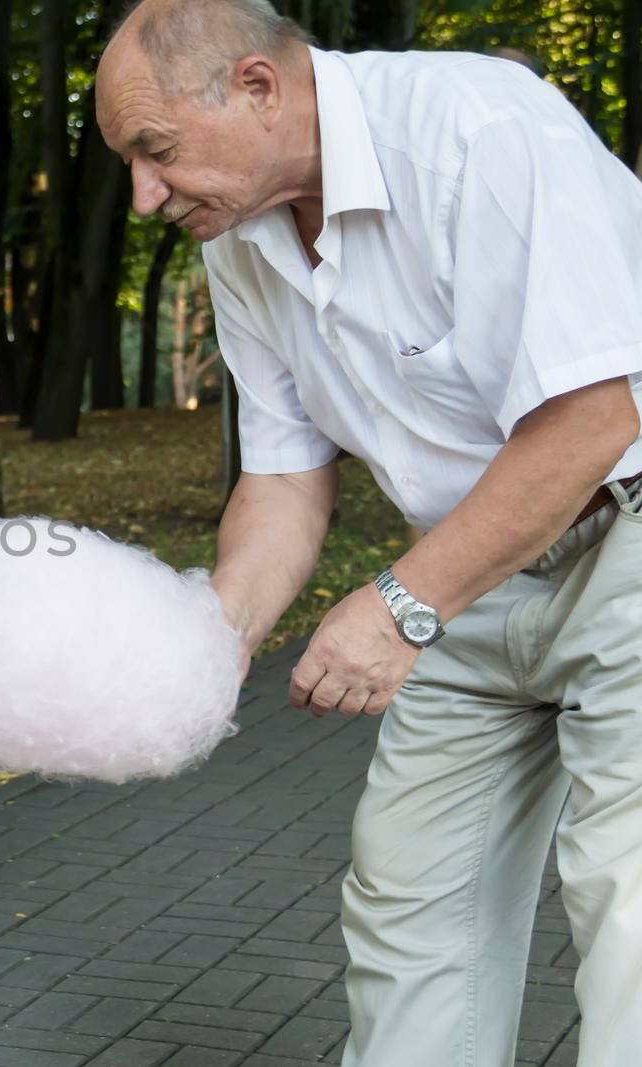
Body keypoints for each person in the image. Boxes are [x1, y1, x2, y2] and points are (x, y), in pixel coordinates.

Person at [96, 2, 642, 1065]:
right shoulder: (240, 232)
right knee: (407, 898)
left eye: (154, 152)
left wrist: (398, 606)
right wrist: (209, 647)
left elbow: (593, 417)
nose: (143, 194)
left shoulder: (480, 130)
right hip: (465, 570)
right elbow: (285, 476)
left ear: (255, 87)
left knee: (628, 901)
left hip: (622, 537)